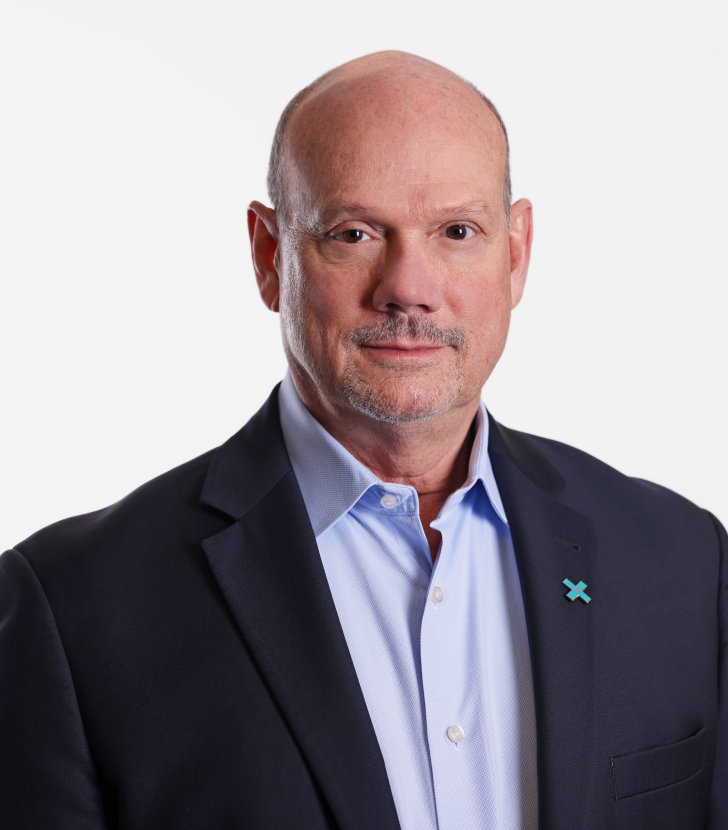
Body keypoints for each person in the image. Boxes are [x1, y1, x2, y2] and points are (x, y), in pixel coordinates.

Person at [0, 50, 725, 830]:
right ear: (269, 255)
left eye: (457, 230)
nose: (408, 288)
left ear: (515, 254)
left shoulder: (684, 562)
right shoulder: (72, 611)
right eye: (353, 233)